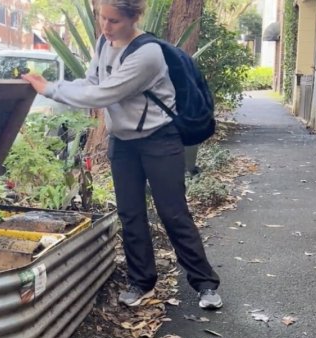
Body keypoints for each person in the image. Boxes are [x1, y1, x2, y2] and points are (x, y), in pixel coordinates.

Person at [22, 0, 222, 310]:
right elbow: (92, 82)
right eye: (103, 18)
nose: (105, 26)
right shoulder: (105, 42)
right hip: (123, 142)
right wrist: (55, 86)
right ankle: (141, 281)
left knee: (173, 213)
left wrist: (49, 89)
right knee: (130, 214)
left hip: (159, 139)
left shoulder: (147, 55)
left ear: (133, 18)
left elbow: (105, 94)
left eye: (114, 21)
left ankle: (205, 283)